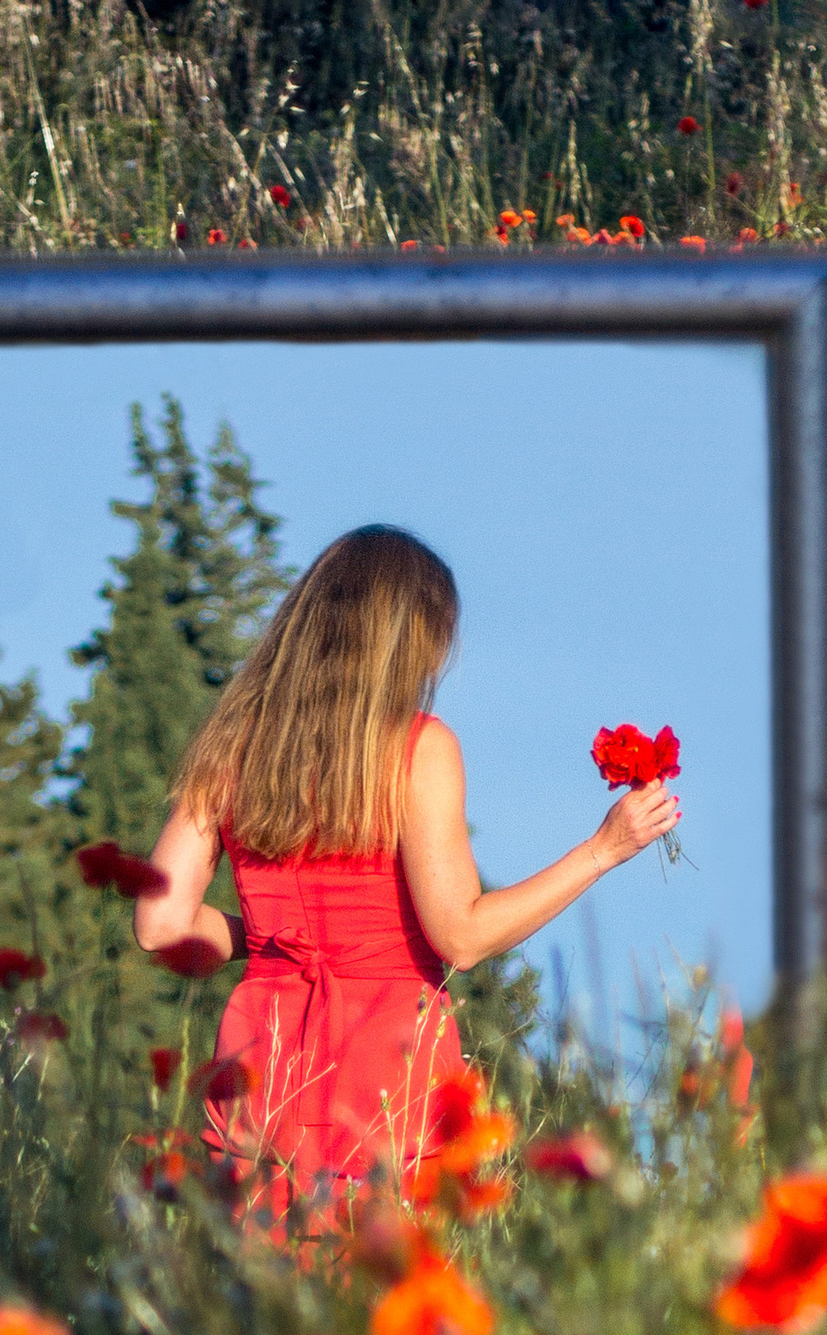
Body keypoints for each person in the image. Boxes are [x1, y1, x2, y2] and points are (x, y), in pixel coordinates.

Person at [132, 524, 680, 1228]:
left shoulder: (235, 743)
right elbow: (461, 936)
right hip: (386, 1062)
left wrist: (271, 940)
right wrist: (603, 850)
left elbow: (162, 923)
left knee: (265, 1306)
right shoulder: (418, 749)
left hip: (263, 1064)